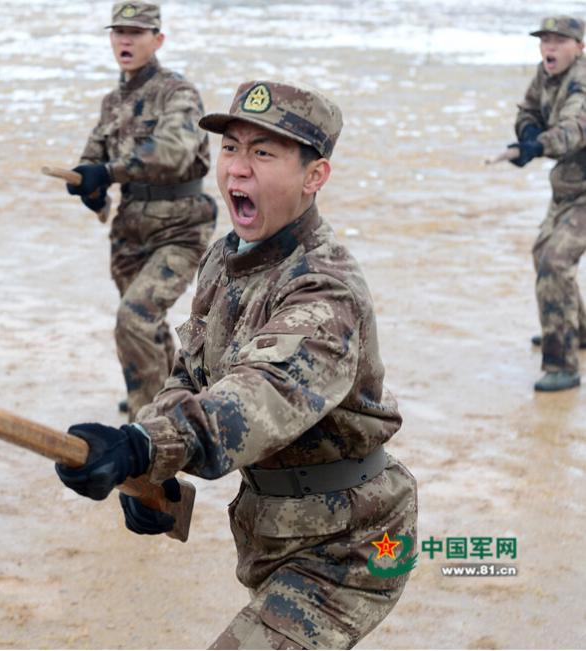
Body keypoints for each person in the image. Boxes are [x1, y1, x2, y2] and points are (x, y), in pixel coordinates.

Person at [55, 81, 418, 649]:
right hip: (272, 529)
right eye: (230, 148)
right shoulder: (228, 259)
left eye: (263, 153)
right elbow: (193, 375)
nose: (237, 170)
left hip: (349, 545)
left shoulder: (325, 290)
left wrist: (145, 445)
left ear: (314, 177)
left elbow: (258, 396)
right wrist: (150, 470)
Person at [65, 1, 216, 419]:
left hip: (181, 228)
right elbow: (91, 157)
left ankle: (146, 428)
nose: (125, 40)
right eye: (118, 32)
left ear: (158, 39)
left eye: (136, 32)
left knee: (135, 318)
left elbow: (171, 152)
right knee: (143, 325)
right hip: (130, 229)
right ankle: (168, 400)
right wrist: (88, 185)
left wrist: (109, 171)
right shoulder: (112, 102)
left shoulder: (177, 93)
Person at [511, 15, 586, 391]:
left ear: (580, 46)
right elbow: (528, 110)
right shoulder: (545, 75)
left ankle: (562, 365)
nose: (549, 47)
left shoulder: (583, 82)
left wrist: (539, 145)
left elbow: (574, 130)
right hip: (569, 186)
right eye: (545, 40)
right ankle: (572, 328)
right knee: (543, 253)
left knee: (555, 260)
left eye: (559, 40)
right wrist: (527, 132)